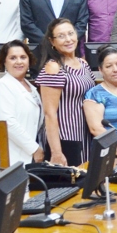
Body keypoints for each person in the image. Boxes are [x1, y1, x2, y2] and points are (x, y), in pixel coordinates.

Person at [35, 18, 96, 166]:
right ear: (52, 41)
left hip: (85, 135)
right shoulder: (53, 68)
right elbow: (49, 114)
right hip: (65, 139)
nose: (68, 39)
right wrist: (56, 152)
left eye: (70, 33)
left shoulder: (84, 64)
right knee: (69, 186)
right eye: (61, 36)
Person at [0, 40, 43, 166]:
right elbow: (8, 123)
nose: (19, 62)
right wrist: (34, 148)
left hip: (27, 157)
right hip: (8, 157)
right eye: (13, 58)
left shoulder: (31, 87)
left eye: (23, 57)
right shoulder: (2, 85)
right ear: (4, 62)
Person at [83, 46, 117, 159]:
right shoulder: (95, 94)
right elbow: (96, 128)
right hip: (109, 155)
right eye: (109, 66)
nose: (115, 69)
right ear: (100, 69)